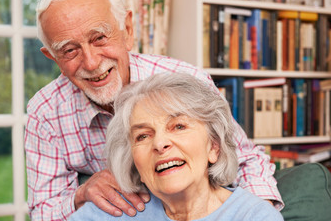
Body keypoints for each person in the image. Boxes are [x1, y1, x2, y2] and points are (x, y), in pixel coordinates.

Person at [25, 0, 283, 220]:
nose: (91, 63)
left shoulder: (185, 80)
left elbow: (246, 159)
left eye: (100, 38)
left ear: (127, 29)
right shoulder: (45, 112)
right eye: (69, 50)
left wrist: (252, 213)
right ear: (52, 57)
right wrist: (81, 194)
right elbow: (43, 210)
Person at [69, 73, 284, 221]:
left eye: (179, 126)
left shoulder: (254, 216)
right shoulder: (110, 213)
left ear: (213, 148)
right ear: (134, 163)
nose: (160, 144)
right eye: (142, 136)